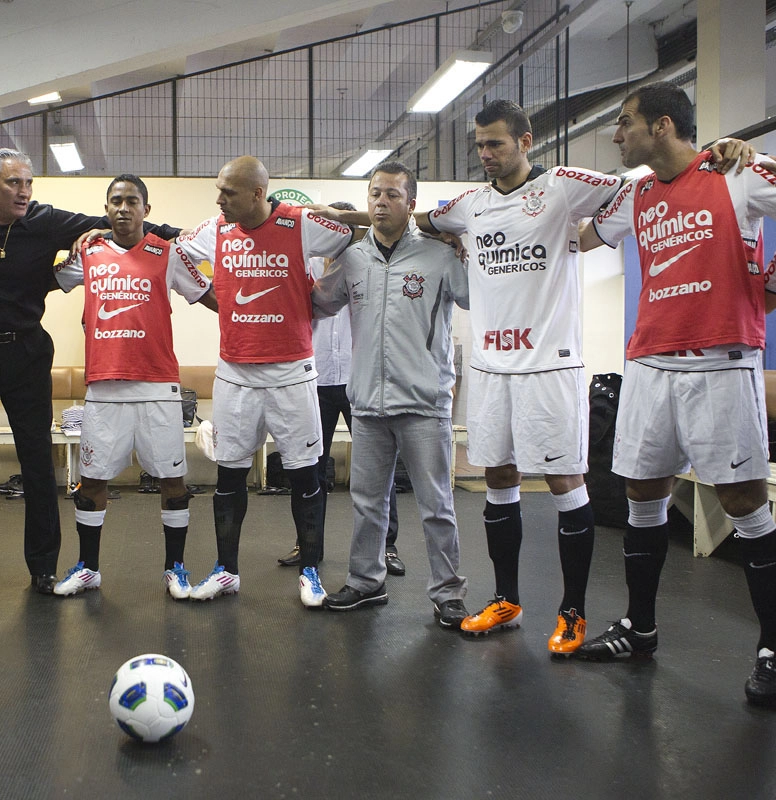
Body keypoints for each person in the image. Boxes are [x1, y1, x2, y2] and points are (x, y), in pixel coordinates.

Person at [0, 148, 181, 595]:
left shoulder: (46, 220)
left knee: (37, 462)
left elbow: (130, 224)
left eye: (28, 183)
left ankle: (43, 567)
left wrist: (225, 229)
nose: (24, 191)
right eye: (14, 183)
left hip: (25, 350)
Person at [577, 81, 776, 706]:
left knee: (743, 499)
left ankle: (772, 648)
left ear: (662, 126)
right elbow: (578, 239)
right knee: (642, 488)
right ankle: (641, 628)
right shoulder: (635, 194)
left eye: (626, 123)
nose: (617, 135)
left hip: (721, 361)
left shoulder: (735, 173)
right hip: (650, 364)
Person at [408, 101, 621, 653]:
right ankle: (506, 599)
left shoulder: (563, 187)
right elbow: (424, 221)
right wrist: (450, 239)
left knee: (563, 483)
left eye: (495, 144)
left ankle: (572, 612)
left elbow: (634, 190)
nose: (485, 154)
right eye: (479, 144)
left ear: (526, 142)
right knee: (498, 477)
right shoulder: (471, 203)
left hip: (550, 364)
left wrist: (590, 234)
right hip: (491, 365)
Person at [177, 155, 353, 608]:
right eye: (218, 191)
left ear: (258, 193)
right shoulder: (215, 230)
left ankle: (311, 571)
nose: (219, 201)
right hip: (235, 373)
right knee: (229, 475)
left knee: (305, 474)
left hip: (292, 372)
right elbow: (174, 251)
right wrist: (206, 296)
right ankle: (226, 571)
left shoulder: (299, 225)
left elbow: (355, 236)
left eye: (228, 192)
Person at [313, 161, 469, 626]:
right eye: (375, 194)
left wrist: (466, 247)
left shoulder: (440, 256)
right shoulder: (353, 258)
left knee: (436, 504)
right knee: (366, 501)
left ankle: (447, 593)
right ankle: (365, 582)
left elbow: (473, 297)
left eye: (392, 195)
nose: (381, 202)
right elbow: (320, 303)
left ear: (412, 204)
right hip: (367, 402)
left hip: (424, 402)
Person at [52, 174, 217, 598]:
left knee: (172, 482)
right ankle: (89, 567)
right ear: (106, 209)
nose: (122, 208)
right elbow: (46, 279)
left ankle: (175, 568)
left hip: (158, 387)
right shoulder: (87, 252)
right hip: (104, 389)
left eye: (131, 201)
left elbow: (210, 296)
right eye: (115, 201)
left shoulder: (168, 254)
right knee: (92, 483)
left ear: (146, 208)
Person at [276, 200, 406, 578]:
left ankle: (388, 546)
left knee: (379, 469)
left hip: (358, 377)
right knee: (309, 469)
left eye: (348, 231)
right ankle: (307, 544)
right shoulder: (305, 265)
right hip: (313, 379)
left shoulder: (366, 267)